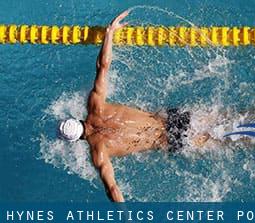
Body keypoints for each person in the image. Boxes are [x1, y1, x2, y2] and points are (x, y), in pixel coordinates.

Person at [58, 11, 210, 202]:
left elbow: (112, 189)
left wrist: (129, 221)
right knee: (226, 118)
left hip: (171, 140)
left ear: (76, 140)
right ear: (76, 119)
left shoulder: (99, 152)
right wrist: (109, 33)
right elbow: (103, 66)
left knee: (227, 141)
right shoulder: (95, 105)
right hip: (172, 118)